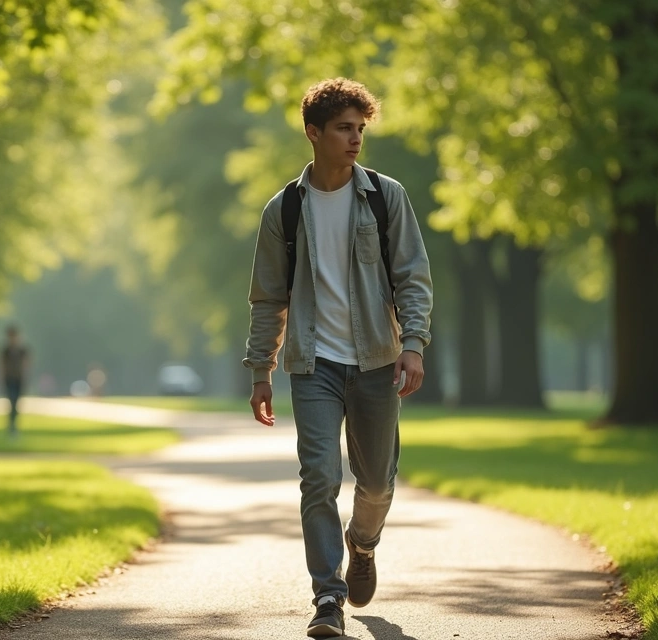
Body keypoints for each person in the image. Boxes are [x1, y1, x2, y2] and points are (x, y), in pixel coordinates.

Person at [243, 78, 434, 638]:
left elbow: (413, 278)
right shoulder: (285, 209)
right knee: (319, 478)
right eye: (344, 129)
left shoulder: (384, 195)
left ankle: (364, 543)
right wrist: (261, 370)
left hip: (377, 360)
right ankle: (328, 597)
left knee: (376, 484)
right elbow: (267, 298)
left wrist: (413, 345)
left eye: (360, 129)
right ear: (314, 133)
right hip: (314, 365)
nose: (355, 140)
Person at [0, 325, 30, 437]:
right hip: (9, 379)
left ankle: (14, 425)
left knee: (16, 402)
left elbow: (26, 365)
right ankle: (11, 426)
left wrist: (26, 377)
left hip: (19, 379)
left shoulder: (22, 350)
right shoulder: (5, 351)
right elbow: (1, 366)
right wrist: (0, 379)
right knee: (11, 400)